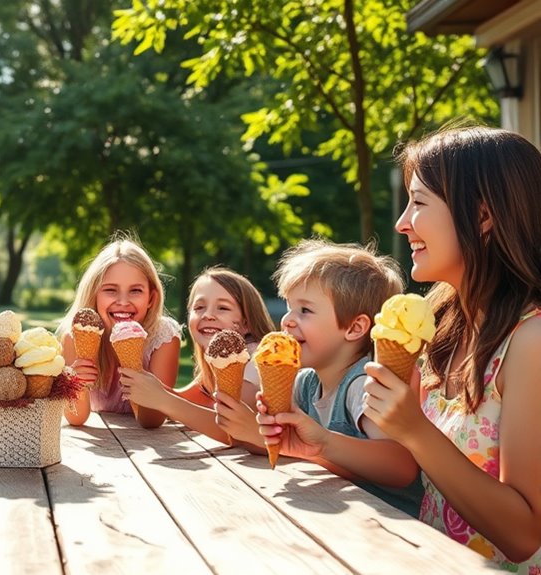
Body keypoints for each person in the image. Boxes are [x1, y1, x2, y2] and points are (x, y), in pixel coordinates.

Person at [363, 127, 541, 569]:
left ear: (483, 217)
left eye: (419, 202)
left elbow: (526, 536)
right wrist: (313, 443)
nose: (402, 223)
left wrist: (413, 428)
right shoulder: (441, 326)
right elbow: (411, 463)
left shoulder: (531, 341)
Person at [251, 239, 422, 516]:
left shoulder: (362, 385)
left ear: (355, 328)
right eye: (289, 307)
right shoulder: (306, 382)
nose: (287, 320)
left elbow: (401, 468)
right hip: (339, 517)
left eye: (305, 310)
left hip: (392, 528)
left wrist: (324, 442)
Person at [121, 267, 274, 446]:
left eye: (223, 308)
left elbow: (235, 431)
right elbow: (186, 399)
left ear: (246, 323)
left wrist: (164, 400)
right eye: (199, 307)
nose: (208, 315)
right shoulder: (217, 361)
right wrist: (146, 386)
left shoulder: (257, 358)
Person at [58, 235, 181, 429]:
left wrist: (133, 369)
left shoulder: (163, 337)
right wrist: (77, 384)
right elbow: (76, 418)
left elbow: (153, 420)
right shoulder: (76, 337)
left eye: (135, 291)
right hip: (102, 448)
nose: (123, 301)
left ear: (151, 298)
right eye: (110, 290)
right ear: (94, 295)